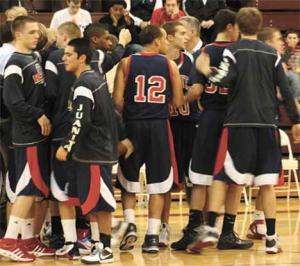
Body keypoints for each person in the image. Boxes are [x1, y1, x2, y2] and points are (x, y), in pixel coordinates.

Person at [196, 7, 300, 254]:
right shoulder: (272, 55)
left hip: (238, 123)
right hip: (267, 124)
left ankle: (210, 228)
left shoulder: (233, 51)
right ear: (260, 25)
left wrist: (204, 69)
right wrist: (296, 120)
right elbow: (285, 91)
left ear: (238, 28)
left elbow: (222, 79)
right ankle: (272, 239)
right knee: (267, 184)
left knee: (223, 175)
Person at [171, 9, 254, 252]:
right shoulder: (239, 51)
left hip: (208, 118)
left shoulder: (205, 52)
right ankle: (226, 232)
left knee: (200, 177)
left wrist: (180, 101)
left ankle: (193, 230)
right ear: (231, 26)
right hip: (233, 120)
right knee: (233, 178)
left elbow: (196, 91)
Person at [113, 24, 184, 253]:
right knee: (158, 183)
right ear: (155, 41)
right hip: (158, 127)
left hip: (133, 126)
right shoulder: (169, 64)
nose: (166, 43)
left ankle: (130, 224)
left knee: (128, 180)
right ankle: (152, 236)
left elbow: (117, 101)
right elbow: (178, 101)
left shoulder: (127, 63)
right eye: (164, 39)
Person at [56, 38, 119, 264]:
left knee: (101, 203)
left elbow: (80, 120)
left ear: (81, 58)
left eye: (68, 54)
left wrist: (66, 145)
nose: (64, 58)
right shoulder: (93, 79)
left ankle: (106, 249)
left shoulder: (84, 84)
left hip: (94, 153)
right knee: (92, 202)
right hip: (96, 152)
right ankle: (98, 244)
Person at [0, 16, 52, 262]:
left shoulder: (35, 57)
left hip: (38, 134)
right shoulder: (14, 63)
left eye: (37, 32)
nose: (36, 36)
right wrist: (38, 115)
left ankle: (29, 239)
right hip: (26, 135)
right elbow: (12, 101)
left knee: (36, 189)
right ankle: (10, 240)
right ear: (18, 34)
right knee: (27, 188)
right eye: (31, 32)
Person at [45, 21, 84, 259]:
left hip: (62, 128)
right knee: (82, 186)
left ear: (65, 36)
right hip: (86, 135)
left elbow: (48, 93)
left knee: (60, 188)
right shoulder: (93, 61)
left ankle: (68, 238)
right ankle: (89, 238)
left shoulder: (53, 57)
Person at [159, 21, 197, 247]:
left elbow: (196, 90)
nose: (187, 36)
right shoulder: (159, 61)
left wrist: (187, 98)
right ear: (169, 37)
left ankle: (194, 224)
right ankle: (164, 225)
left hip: (188, 124)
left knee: (193, 179)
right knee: (166, 181)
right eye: (182, 33)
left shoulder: (190, 60)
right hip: (166, 125)